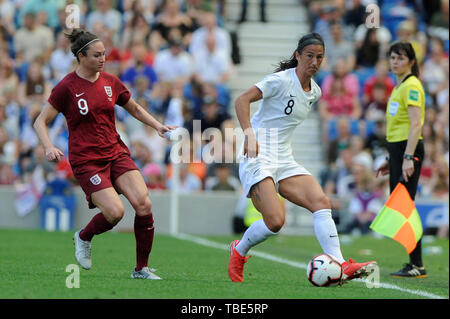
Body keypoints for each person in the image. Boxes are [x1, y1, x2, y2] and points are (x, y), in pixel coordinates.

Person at [228, 32, 376, 283]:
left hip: (284, 159)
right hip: (258, 157)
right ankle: (239, 250)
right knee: (275, 222)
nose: (315, 62)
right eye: (309, 56)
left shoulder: (315, 92)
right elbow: (242, 100)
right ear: (297, 56)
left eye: (319, 57)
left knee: (321, 201)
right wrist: (249, 134)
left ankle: (340, 264)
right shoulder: (280, 81)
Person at [33, 29, 175, 280]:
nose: (103, 59)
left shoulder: (110, 82)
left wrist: (158, 126)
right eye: (97, 55)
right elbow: (40, 121)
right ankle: (84, 236)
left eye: (104, 54)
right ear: (81, 56)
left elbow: (134, 108)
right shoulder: (66, 87)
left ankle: (141, 269)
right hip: (87, 160)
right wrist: (48, 146)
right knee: (115, 213)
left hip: (115, 152)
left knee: (143, 203)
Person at [376, 42, 427, 278]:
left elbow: (415, 124)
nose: (395, 62)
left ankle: (417, 264)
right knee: (401, 206)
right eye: (393, 57)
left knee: (405, 206)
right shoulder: (398, 87)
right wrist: (391, 158)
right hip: (398, 150)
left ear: (411, 62)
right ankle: (414, 262)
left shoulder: (412, 85)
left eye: (400, 58)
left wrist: (408, 157)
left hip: (409, 149)